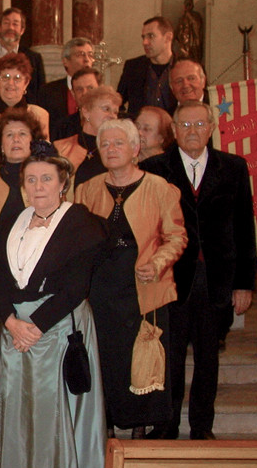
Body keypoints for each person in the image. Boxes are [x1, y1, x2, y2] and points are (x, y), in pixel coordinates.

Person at [0, 143, 107, 468]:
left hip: (55, 330)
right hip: (13, 332)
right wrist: (10, 321)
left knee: (49, 421)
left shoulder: (82, 224)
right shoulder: (11, 224)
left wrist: (34, 326)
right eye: (31, 179)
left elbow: (76, 287)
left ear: (63, 182)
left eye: (46, 179)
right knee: (16, 421)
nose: (38, 186)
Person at [142, 100, 256, 440]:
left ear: (212, 128)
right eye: (185, 125)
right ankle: (166, 424)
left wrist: (244, 283)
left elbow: (243, 228)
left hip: (217, 277)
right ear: (174, 130)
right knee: (170, 354)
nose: (193, 131)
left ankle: (202, 427)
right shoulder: (154, 168)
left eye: (200, 124)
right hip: (171, 277)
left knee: (208, 357)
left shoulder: (234, 168)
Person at [76, 119, 187, 439]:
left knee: (141, 360)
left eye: (118, 143)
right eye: (105, 144)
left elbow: (177, 237)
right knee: (105, 359)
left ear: (135, 149)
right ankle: (105, 428)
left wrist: (157, 263)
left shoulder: (160, 188)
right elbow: (77, 240)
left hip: (144, 285)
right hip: (100, 288)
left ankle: (141, 430)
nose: (110, 149)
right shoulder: (86, 189)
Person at [0, 107, 44, 235]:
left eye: (22, 134)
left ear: (33, 142)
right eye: (9, 134)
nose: (16, 139)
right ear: (1, 145)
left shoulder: (46, 178)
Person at [54, 85, 121, 192]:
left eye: (115, 112)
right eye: (106, 109)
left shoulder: (119, 151)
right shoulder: (60, 148)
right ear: (86, 112)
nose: (112, 116)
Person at [117, 16, 177, 118]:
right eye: (143, 37)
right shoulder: (133, 67)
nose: (145, 42)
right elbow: (118, 102)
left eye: (151, 36)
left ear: (168, 37)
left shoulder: (185, 66)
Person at [37, 38, 94, 138]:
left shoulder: (99, 91)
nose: (87, 60)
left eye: (90, 55)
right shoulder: (48, 92)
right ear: (66, 61)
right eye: (80, 55)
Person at [0, 7, 46, 104]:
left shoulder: (34, 59)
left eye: (15, 24)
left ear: (22, 30)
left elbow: (40, 94)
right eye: (6, 23)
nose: (11, 28)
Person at [0, 53, 49, 138]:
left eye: (17, 78)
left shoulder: (38, 115)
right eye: (5, 77)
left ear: (26, 83)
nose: (10, 83)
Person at [52, 67, 102, 141]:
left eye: (90, 88)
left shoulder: (111, 122)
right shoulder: (62, 128)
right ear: (73, 94)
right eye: (79, 89)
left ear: (100, 90)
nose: (85, 93)